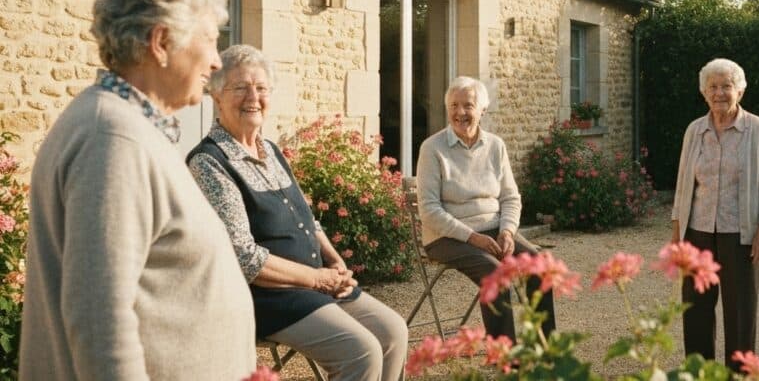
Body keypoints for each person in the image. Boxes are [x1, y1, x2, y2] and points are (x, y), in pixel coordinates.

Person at [19, 0, 256, 379]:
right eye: (209, 39)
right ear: (161, 42)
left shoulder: (126, 128)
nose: (217, 61)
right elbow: (99, 320)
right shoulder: (113, 140)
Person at [188, 44, 408, 381]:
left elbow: (308, 217)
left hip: (313, 285)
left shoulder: (270, 149)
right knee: (360, 350)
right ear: (216, 96)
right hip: (265, 297)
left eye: (261, 88)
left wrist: (334, 261)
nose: (253, 96)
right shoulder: (209, 162)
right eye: (240, 87)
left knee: (392, 332)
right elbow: (244, 258)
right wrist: (319, 279)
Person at [416, 76, 555, 341]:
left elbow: (510, 197)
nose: (460, 113)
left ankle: (545, 349)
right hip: (446, 237)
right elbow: (430, 211)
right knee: (496, 275)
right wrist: (473, 237)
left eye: (468, 105)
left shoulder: (495, 145)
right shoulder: (432, 149)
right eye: (454, 105)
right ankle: (505, 358)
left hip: (494, 230)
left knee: (540, 266)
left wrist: (508, 231)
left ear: (482, 110)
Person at [670, 58, 759, 369]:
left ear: (740, 91)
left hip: (741, 234)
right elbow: (682, 184)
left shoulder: (758, 130)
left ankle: (739, 376)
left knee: (740, 313)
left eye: (726, 86)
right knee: (696, 310)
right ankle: (699, 372)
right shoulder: (694, 130)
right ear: (704, 92)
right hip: (697, 231)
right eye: (712, 87)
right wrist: (677, 233)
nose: (719, 93)